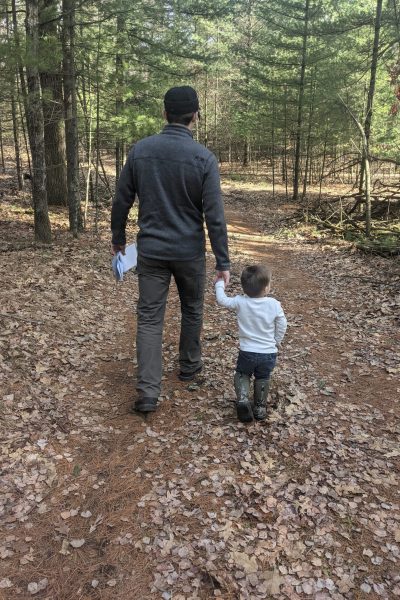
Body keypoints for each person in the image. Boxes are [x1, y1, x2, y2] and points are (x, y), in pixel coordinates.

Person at [111, 86, 230, 414]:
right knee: (192, 308)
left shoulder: (140, 151)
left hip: (151, 251)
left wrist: (118, 238)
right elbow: (215, 216)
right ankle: (189, 366)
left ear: (165, 114)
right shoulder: (204, 159)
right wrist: (223, 261)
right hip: (189, 252)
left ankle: (148, 391)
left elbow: (121, 198)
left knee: (149, 316)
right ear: (195, 116)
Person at [215, 264, 287, 423]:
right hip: (268, 353)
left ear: (243, 287)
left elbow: (221, 300)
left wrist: (220, 282)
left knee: (242, 374)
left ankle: (242, 399)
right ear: (267, 288)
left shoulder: (240, 301)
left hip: (247, 352)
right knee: (263, 377)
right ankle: (260, 407)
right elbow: (282, 323)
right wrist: (277, 340)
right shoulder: (274, 304)